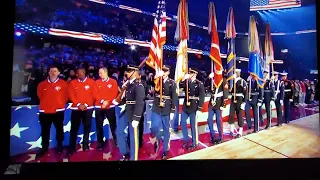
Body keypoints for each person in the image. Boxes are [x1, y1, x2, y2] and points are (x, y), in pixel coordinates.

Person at [113, 65, 145, 161]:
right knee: (119, 132)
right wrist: (122, 92)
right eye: (127, 71)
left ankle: (133, 158)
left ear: (135, 72)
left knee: (133, 137)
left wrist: (136, 118)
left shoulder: (138, 86)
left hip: (134, 113)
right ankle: (125, 152)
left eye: (129, 71)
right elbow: (124, 99)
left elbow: (140, 103)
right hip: (126, 111)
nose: (127, 73)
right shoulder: (127, 85)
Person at [36, 66, 68, 158]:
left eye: (55, 71)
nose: (53, 73)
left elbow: (66, 96)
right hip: (45, 112)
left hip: (58, 111)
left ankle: (59, 145)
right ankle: (44, 148)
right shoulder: (42, 84)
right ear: (48, 73)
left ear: (58, 73)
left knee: (59, 129)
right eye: (51, 71)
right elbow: (40, 96)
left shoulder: (64, 84)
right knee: (45, 130)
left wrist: (59, 104)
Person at [67, 68, 96, 156]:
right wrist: (79, 104)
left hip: (88, 108)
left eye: (80, 73)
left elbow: (94, 94)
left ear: (84, 73)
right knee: (74, 129)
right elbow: (71, 95)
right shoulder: (72, 83)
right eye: (77, 74)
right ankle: (72, 147)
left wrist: (86, 104)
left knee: (87, 127)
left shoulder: (92, 82)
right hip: (76, 109)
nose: (79, 75)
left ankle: (85, 145)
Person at [150, 65, 177, 159]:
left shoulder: (172, 83)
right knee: (154, 126)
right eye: (163, 70)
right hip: (157, 106)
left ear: (169, 72)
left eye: (166, 71)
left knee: (166, 129)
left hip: (167, 107)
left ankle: (166, 149)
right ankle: (157, 139)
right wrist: (156, 76)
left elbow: (174, 97)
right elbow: (149, 83)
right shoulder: (158, 80)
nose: (164, 72)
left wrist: (173, 110)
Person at [179, 68, 205, 150]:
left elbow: (202, 96)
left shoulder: (199, 83)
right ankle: (186, 140)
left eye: (191, 73)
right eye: (189, 73)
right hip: (185, 105)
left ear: (195, 74)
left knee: (193, 125)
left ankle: (195, 142)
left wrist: (200, 108)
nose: (189, 74)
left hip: (194, 105)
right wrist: (183, 78)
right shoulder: (187, 81)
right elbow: (181, 86)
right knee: (182, 122)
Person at [94, 67, 119, 150]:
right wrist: (102, 101)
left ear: (105, 72)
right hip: (99, 107)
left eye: (100, 73)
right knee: (99, 126)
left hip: (110, 106)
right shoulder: (97, 82)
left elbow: (115, 93)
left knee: (113, 125)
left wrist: (107, 102)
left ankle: (117, 141)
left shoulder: (113, 81)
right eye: (99, 73)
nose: (99, 74)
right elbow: (95, 93)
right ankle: (100, 143)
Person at [207, 72, 228, 144]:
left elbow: (226, 93)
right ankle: (212, 136)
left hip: (219, 103)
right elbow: (206, 86)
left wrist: (224, 105)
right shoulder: (213, 79)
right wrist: (209, 78)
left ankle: (220, 137)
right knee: (209, 120)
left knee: (218, 121)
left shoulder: (223, 80)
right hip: (212, 102)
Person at [228, 69, 248, 138]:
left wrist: (244, 103)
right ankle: (232, 129)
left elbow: (246, 93)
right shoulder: (233, 81)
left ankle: (240, 131)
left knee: (239, 115)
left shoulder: (243, 81)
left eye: (236, 73)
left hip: (239, 99)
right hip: (233, 98)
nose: (235, 74)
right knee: (231, 114)